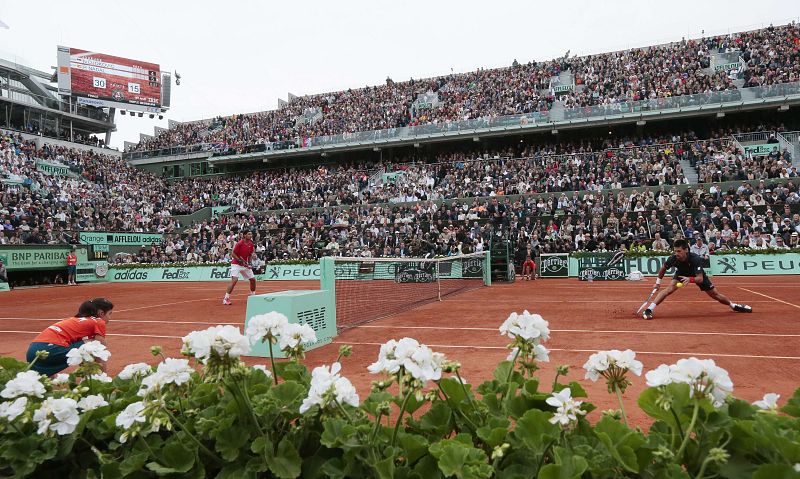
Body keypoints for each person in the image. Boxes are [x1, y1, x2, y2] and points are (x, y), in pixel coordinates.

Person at [642, 239, 751, 320]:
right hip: (681, 273)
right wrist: (657, 283)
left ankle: (733, 305)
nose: (676, 254)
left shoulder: (695, 259)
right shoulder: (673, 258)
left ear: (686, 250)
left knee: (715, 295)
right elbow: (663, 269)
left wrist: (690, 279)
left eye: (679, 251)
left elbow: (699, 278)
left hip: (696, 275)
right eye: (675, 251)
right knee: (668, 289)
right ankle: (649, 309)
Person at [26, 298, 114, 376]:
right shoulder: (98, 321)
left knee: (84, 345)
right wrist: (103, 376)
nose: (110, 318)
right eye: (110, 314)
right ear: (101, 313)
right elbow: (101, 347)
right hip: (52, 350)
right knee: (95, 345)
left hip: (32, 351)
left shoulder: (74, 320)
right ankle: (101, 379)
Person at [223, 229, 256, 305]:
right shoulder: (239, 243)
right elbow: (233, 254)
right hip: (236, 264)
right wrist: (238, 260)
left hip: (245, 265)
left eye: (251, 234)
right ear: (244, 235)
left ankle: (253, 296)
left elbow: (250, 255)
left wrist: (249, 263)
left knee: (253, 280)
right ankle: (226, 298)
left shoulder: (251, 244)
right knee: (234, 280)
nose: (250, 236)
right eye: (249, 234)